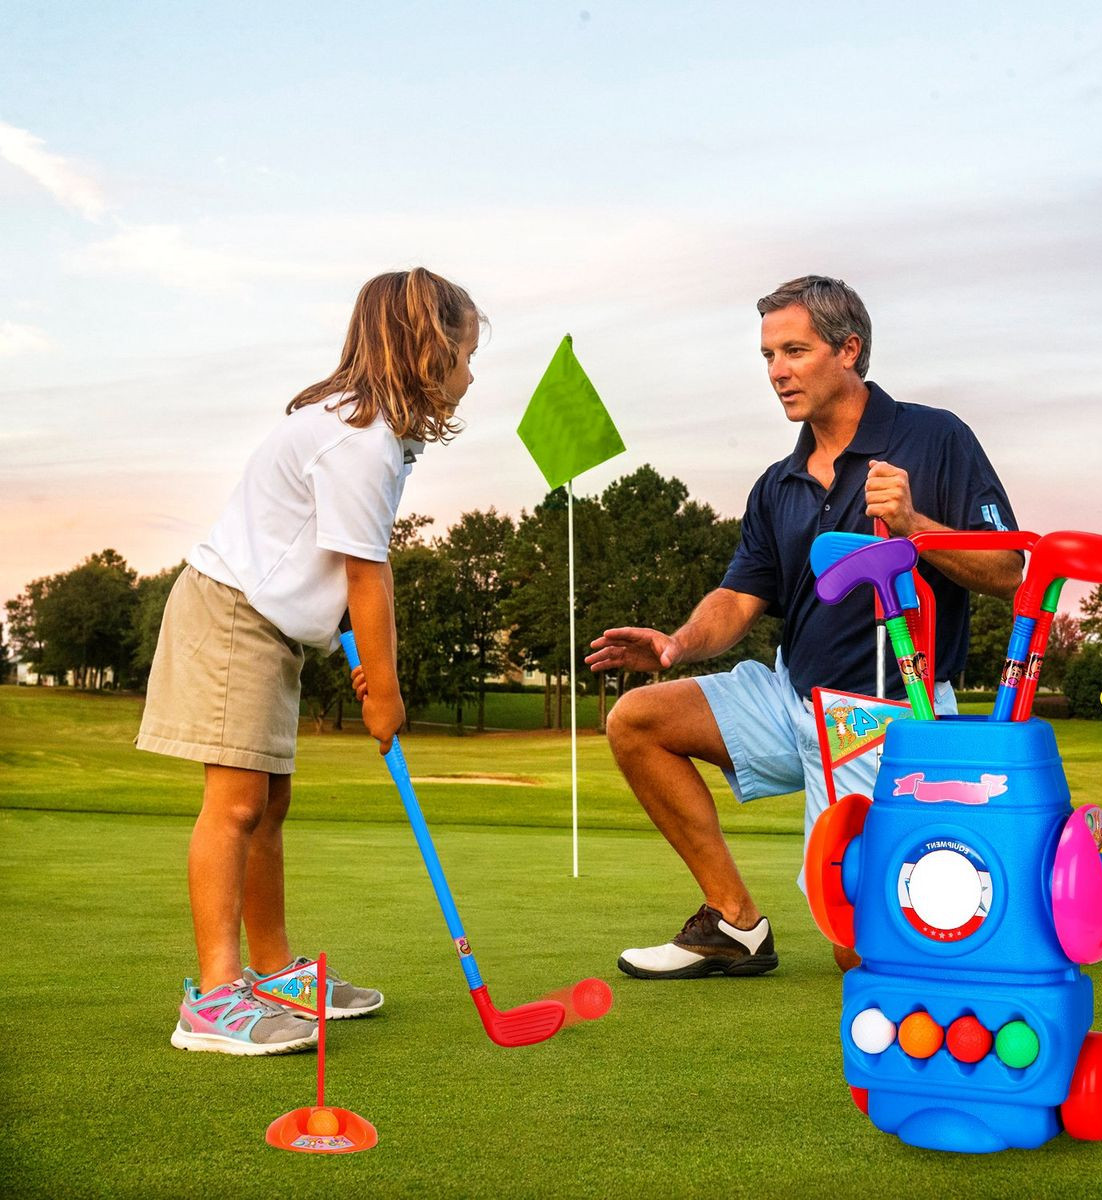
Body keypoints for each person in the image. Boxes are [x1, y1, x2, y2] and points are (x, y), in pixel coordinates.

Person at [586, 276, 1022, 980]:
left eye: (794, 350)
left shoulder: (935, 437)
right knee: (637, 720)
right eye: (767, 355)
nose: (776, 372)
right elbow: (737, 597)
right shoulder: (778, 482)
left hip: (887, 717)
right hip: (792, 700)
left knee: (860, 950)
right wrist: (677, 644)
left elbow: (1011, 571)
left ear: (849, 350)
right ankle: (734, 922)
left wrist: (914, 527)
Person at [137, 269, 482, 1052]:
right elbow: (367, 573)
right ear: (429, 349)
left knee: (269, 805)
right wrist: (385, 694)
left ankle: (272, 972)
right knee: (235, 807)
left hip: (267, 626)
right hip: (233, 616)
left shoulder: (375, 433)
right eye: (464, 352)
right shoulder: (359, 440)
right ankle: (217, 1000)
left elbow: (329, 561)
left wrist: (345, 646)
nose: (470, 371)